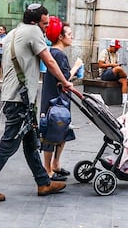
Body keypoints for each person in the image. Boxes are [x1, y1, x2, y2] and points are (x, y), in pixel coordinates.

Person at [0, 4, 75, 202]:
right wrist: (64, 81)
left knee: (30, 143)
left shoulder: (14, 32)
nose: (46, 28)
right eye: (45, 23)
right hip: (20, 99)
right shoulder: (33, 31)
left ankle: (43, 182)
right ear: (35, 22)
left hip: (16, 97)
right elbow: (49, 61)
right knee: (9, 143)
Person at [40, 17, 83, 181]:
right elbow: (64, 79)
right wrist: (76, 67)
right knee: (53, 132)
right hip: (57, 100)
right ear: (60, 37)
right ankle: (48, 169)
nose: (71, 37)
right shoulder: (59, 55)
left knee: (62, 131)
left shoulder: (53, 53)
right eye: (69, 34)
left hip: (54, 98)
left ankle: (55, 164)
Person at [98, 39, 128, 108]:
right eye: (116, 48)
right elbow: (100, 65)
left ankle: (124, 101)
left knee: (124, 81)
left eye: (117, 48)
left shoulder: (116, 54)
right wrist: (112, 65)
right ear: (111, 46)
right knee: (118, 68)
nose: (117, 50)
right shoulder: (104, 52)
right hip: (104, 74)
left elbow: (116, 65)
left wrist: (116, 66)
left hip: (113, 73)